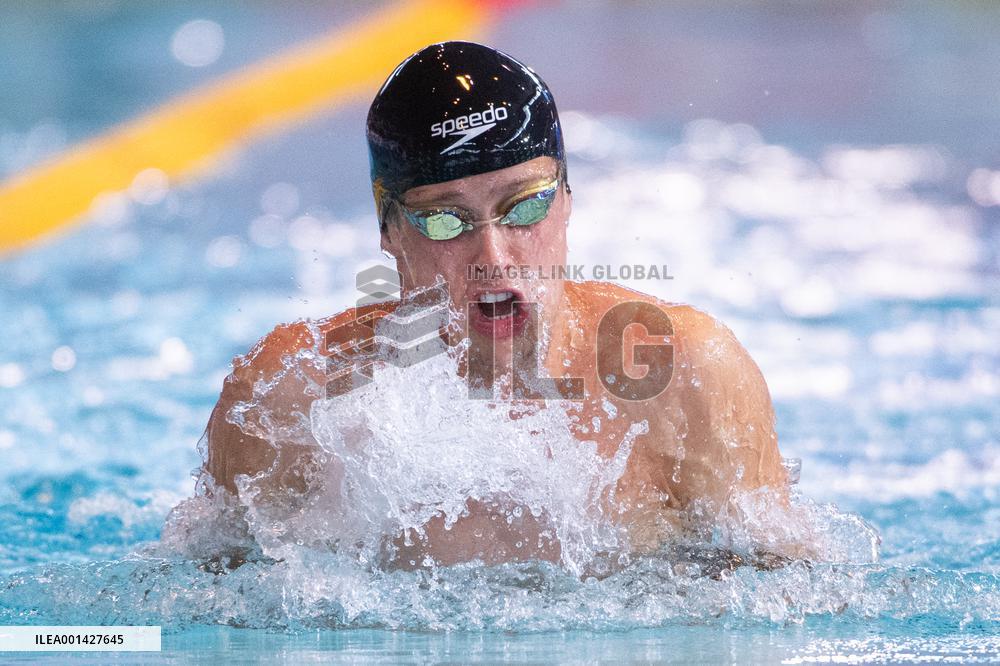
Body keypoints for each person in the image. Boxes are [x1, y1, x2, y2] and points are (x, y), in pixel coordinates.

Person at [203, 41, 795, 569]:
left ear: (566, 199)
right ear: (389, 230)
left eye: (525, 208)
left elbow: (793, 600)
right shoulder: (288, 401)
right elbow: (183, 616)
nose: (494, 256)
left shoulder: (687, 377)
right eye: (444, 219)